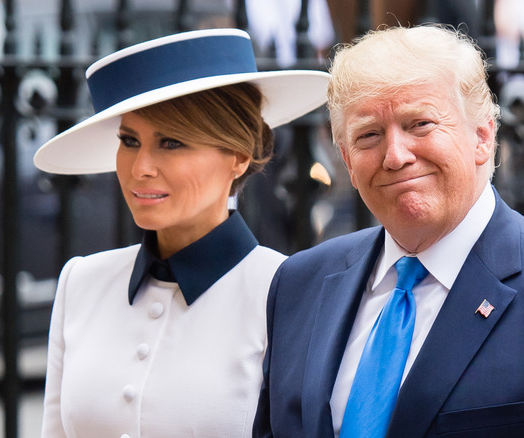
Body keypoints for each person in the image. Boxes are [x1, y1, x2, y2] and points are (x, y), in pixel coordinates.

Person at [253, 25, 524, 437]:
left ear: (483, 136)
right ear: (346, 160)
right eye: (369, 135)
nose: (395, 156)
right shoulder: (298, 285)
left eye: (419, 124)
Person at [33, 29, 329, 437]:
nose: (140, 168)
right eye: (129, 141)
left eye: (171, 142)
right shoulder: (81, 282)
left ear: (239, 156)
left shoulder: (287, 293)